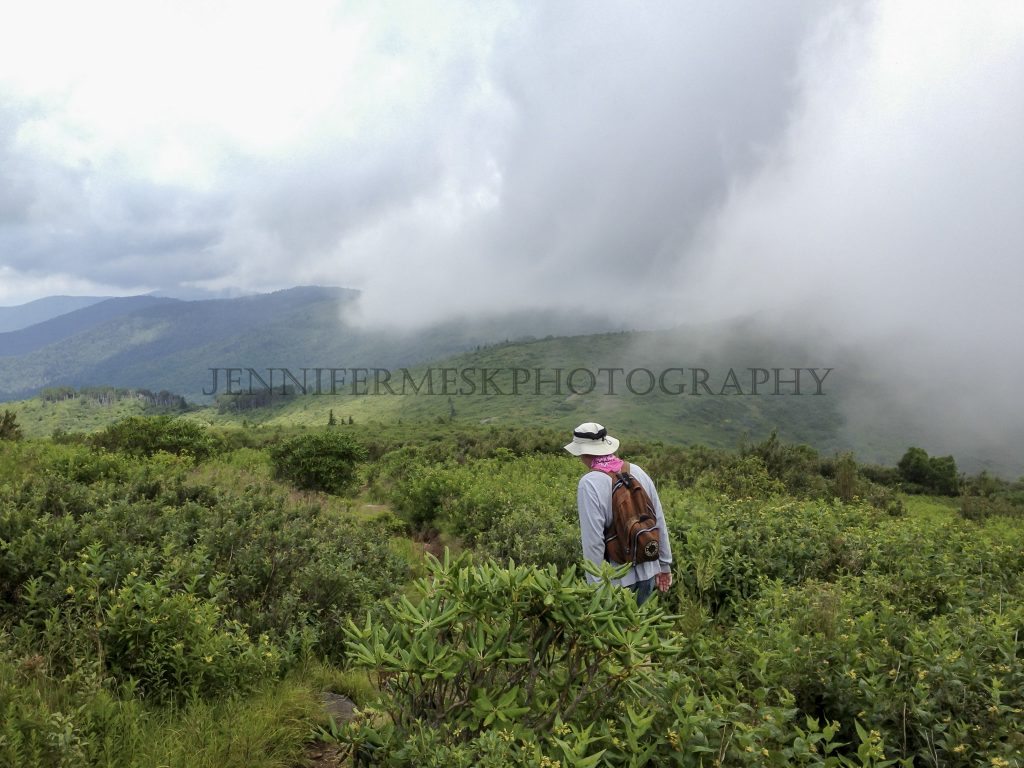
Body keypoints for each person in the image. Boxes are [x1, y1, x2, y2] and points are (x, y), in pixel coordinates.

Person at [564, 422, 673, 605]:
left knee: (611, 633)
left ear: (583, 453)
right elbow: (658, 520)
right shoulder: (636, 470)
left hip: (616, 580)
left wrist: (596, 587)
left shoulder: (589, 483)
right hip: (648, 571)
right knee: (634, 630)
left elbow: (593, 542)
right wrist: (664, 564)